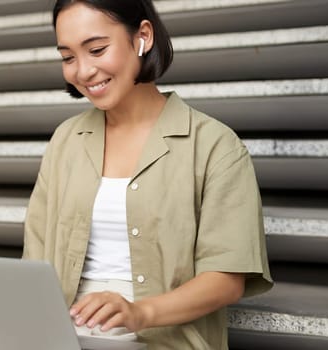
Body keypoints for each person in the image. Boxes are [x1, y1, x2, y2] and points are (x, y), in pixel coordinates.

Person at [22, 0, 273, 348]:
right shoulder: (66, 140)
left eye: (96, 49)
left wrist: (139, 313)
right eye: (68, 57)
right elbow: (34, 263)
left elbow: (226, 280)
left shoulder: (215, 145)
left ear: (143, 36)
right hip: (63, 335)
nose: (83, 71)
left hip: (163, 336)